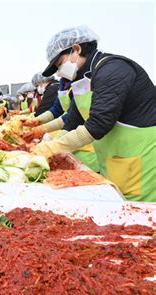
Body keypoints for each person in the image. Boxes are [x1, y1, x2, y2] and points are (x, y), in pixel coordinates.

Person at [33, 25, 156, 201]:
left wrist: (52, 147)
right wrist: (55, 141)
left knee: (142, 217)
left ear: (76, 49)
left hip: (141, 159)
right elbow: (73, 119)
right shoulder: (83, 80)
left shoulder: (113, 69)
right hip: (114, 159)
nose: (60, 72)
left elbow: (99, 123)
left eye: (60, 64)